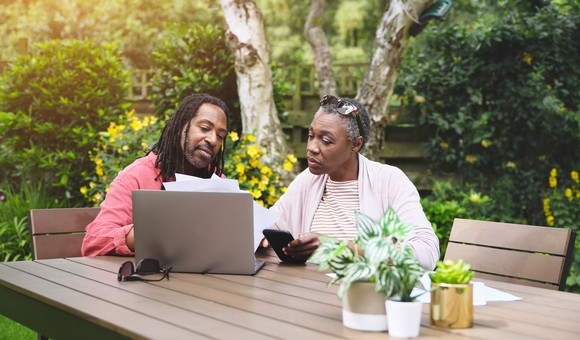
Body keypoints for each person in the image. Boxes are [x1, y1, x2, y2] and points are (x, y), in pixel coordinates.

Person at [268, 95, 439, 270]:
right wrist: (260, 237)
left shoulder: (389, 181)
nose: (312, 147)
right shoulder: (308, 180)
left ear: (355, 145)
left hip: (365, 293)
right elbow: (268, 224)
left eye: (326, 141)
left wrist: (337, 247)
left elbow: (426, 252)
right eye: (311, 135)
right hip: (307, 291)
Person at [82, 93, 230, 256]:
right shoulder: (135, 177)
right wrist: (148, 232)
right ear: (181, 126)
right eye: (204, 128)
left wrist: (254, 236)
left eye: (220, 136)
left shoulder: (217, 181)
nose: (213, 140)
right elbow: (93, 242)